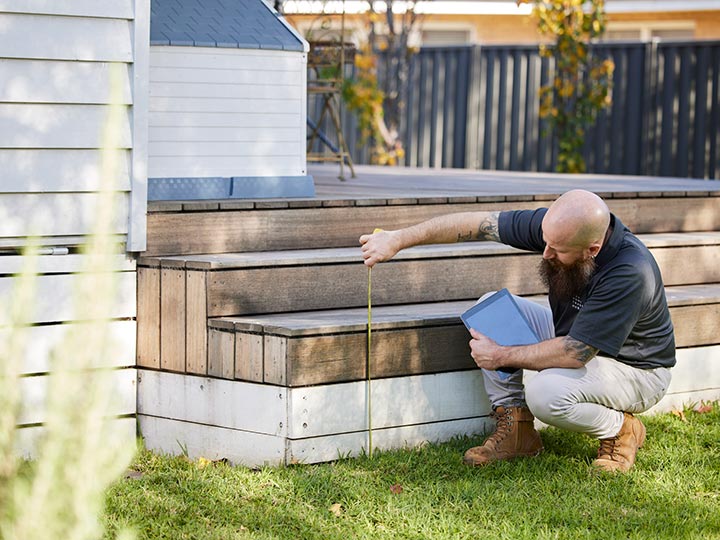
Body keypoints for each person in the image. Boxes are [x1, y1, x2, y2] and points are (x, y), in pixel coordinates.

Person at [359, 190, 675, 473]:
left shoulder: (630, 271)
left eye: (558, 249)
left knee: (546, 393)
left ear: (592, 249)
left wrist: (500, 356)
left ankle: (621, 428)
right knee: (489, 310)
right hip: (578, 337)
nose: (545, 253)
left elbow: (575, 352)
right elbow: (476, 223)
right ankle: (518, 431)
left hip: (636, 370)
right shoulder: (561, 228)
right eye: (546, 241)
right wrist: (398, 239)